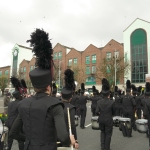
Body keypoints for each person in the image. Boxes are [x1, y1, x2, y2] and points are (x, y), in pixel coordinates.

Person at [9, 28, 76, 150]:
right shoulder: (55, 105)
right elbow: (62, 137)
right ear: (48, 86)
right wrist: (69, 140)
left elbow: (13, 133)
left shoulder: (23, 104)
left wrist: (29, 141)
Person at [61, 68, 79, 148]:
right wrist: (75, 139)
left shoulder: (57, 105)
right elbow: (72, 125)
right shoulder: (70, 108)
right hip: (67, 135)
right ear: (70, 98)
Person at [96, 78, 115, 150]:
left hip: (101, 119)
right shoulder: (112, 102)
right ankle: (107, 148)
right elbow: (114, 112)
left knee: (102, 132)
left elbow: (97, 111)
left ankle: (102, 147)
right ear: (108, 94)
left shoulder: (99, 102)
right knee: (108, 134)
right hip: (108, 119)